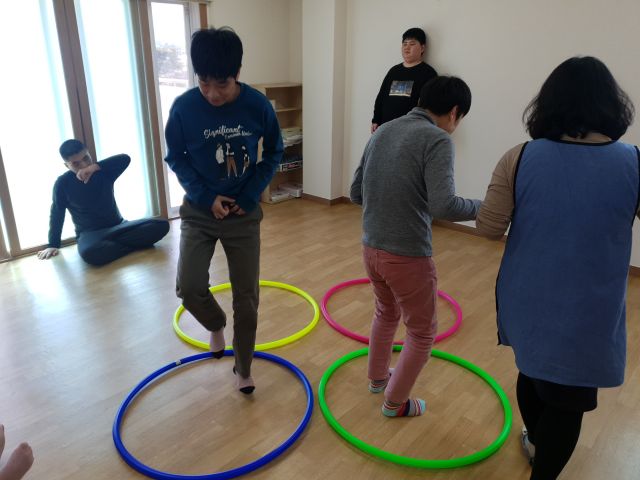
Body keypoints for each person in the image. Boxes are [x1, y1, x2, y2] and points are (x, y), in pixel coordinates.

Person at [476, 56, 637, 480]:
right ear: (612, 105)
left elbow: (489, 227)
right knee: (568, 399)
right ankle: (542, 460)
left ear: (546, 104)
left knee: (532, 372)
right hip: (592, 310)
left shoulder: (519, 157)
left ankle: (536, 443)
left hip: (527, 297)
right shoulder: (635, 162)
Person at [351, 76, 481, 417]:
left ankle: (378, 380)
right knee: (422, 333)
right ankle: (395, 404)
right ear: (454, 112)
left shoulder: (383, 130)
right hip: (407, 256)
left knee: (386, 312)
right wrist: (484, 208)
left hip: (370, 248)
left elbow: (355, 193)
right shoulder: (438, 139)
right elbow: (444, 205)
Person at [164, 27, 283, 394]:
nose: (213, 94)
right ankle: (215, 323)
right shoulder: (184, 107)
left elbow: (274, 152)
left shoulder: (258, 105)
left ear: (238, 73)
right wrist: (205, 198)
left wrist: (248, 196)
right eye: (204, 83)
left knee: (247, 298)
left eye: (222, 84)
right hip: (200, 212)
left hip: (242, 215)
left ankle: (243, 367)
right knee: (189, 287)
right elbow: (176, 157)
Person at [37, 140, 169, 266]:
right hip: (90, 234)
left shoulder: (103, 171)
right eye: (76, 164)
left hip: (119, 226)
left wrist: (94, 167)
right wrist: (53, 244)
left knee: (161, 225)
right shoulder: (62, 183)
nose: (83, 165)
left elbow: (125, 159)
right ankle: (134, 245)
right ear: (67, 165)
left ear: (89, 154)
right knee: (89, 253)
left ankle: (113, 247)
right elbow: (57, 212)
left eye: (86, 158)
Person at [371, 27, 437, 134]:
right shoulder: (394, 71)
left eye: (412, 44)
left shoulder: (428, 73)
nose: (407, 48)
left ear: (422, 48)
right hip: (386, 128)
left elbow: (430, 107)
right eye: (404, 44)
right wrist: (376, 120)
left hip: (412, 131)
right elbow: (381, 97)